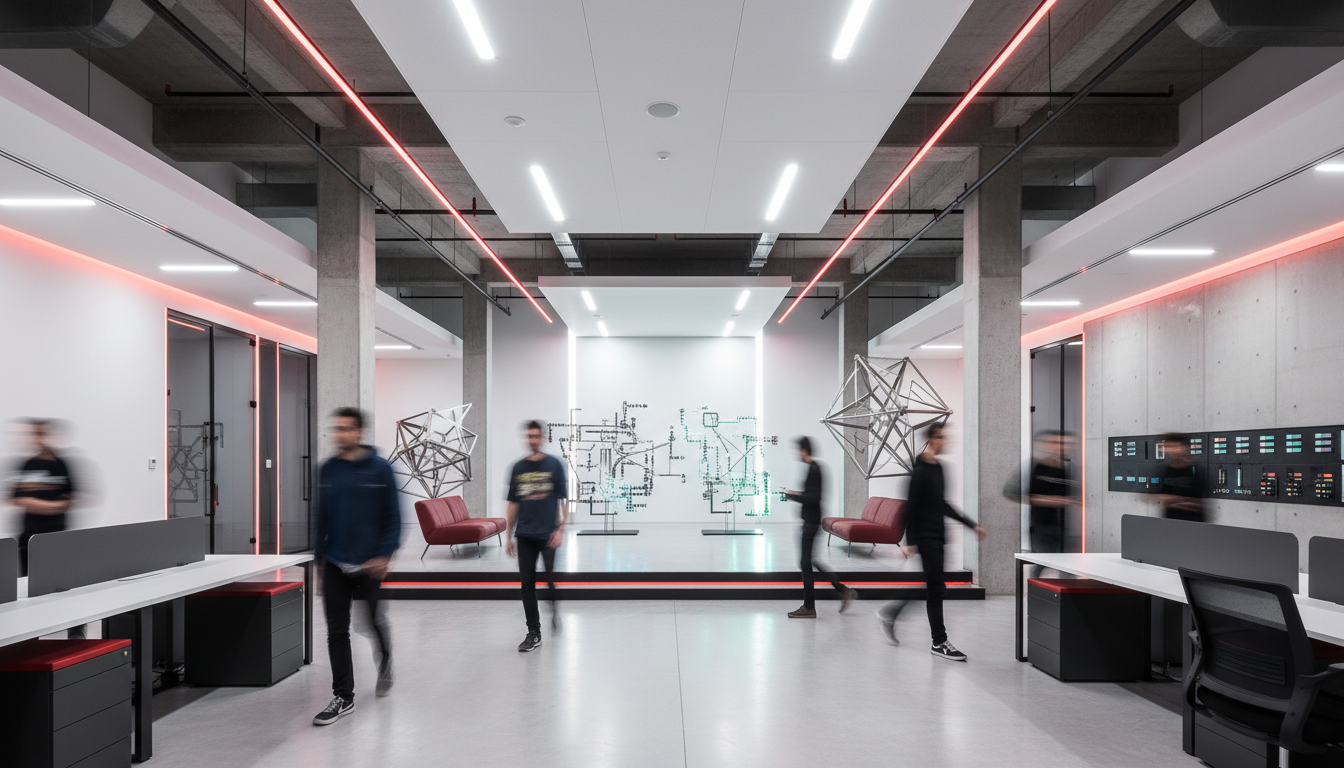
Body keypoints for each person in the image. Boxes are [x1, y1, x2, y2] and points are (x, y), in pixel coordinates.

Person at [312, 408, 401, 727]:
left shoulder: (380, 469)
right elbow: (321, 518)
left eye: (347, 429)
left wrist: (384, 555)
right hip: (335, 561)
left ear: (360, 432)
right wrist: (319, 560)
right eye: (337, 429)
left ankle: (385, 660)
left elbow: (393, 517)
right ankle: (343, 696)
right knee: (337, 630)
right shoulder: (328, 469)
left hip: (369, 563)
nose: (341, 434)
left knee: (372, 621)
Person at [876, 423, 987, 661]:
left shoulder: (940, 468)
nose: (946, 441)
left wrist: (971, 525)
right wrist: (909, 540)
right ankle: (939, 641)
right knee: (935, 589)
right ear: (932, 440)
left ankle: (891, 613)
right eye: (941, 437)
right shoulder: (920, 471)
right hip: (925, 537)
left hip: (938, 535)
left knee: (933, 586)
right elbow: (910, 507)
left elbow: (943, 504)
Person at [505, 420, 569, 653]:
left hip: (548, 534)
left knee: (550, 581)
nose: (532, 440)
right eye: (529, 436)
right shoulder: (518, 467)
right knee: (527, 585)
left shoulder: (554, 464)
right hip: (525, 534)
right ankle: (534, 632)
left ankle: (553, 607)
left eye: (536, 436)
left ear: (543, 438)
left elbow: (564, 499)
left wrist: (560, 529)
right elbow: (513, 503)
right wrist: (508, 535)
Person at [783, 437, 855, 618]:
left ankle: (810, 606)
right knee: (808, 561)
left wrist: (791, 495)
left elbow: (813, 498)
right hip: (810, 521)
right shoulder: (814, 468)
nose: (796, 454)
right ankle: (842, 590)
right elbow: (811, 496)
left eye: (797, 450)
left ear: (803, 450)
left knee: (805, 563)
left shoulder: (814, 469)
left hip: (812, 523)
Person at [9, 419, 77, 577]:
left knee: (57, 579)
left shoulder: (61, 464)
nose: (40, 438)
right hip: (29, 536)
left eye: (43, 433)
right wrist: (53, 505)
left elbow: (72, 499)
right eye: (36, 434)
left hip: (57, 535)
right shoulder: (27, 464)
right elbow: (17, 499)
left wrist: (35, 504)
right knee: (29, 580)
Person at [1021, 430, 1078, 578]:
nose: (1062, 447)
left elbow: (1072, 494)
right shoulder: (1035, 467)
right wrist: (1059, 500)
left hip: (1064, 528)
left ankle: (1066, 592)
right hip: (1042, 527)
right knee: (1043, 563)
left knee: (1068, 567)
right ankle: (1033, 587)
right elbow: (1026, 495)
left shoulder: (1067, 468)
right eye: (1055, 443)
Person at [1155, 433, 1206, 522]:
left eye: (1173, 446)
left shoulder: (1196, 470)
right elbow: (1157, 494)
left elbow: (1198, 503)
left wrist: (1176, 500)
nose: (1169, 450)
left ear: (1183, 447)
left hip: (1193, 523)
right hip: (1170, 522)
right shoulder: (1166, 470)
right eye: (1168, 446)